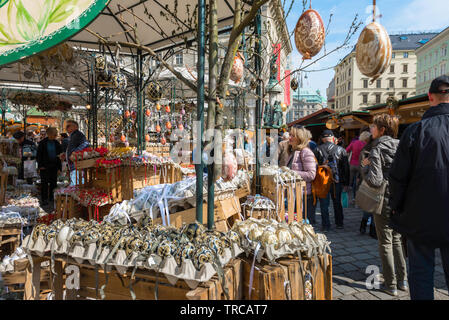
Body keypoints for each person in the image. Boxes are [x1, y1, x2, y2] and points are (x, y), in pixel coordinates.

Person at [389, 76, 449, 300]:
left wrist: (395, 207)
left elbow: (397, 177)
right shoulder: (415, 131)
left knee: (421, 274)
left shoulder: (416, 131)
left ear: (430, 97)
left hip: (420, 215)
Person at [361, 114, 407, 297]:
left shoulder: (377, 148)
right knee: (397, 239)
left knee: (386, 242)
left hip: (385, 197)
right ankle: (403, 281)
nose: (371, 129)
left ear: (381, 130)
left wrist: (365, 166)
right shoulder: (401, 144)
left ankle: (391, 284)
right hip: (401, 197)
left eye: (373, 126)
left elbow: (375, 179)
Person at [314, 129, 350, 231]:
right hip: (336, 181)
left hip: (323, 181)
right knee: (337, 202)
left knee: (324, 204)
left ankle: (326, 225)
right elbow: (345, 168)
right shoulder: (341, 150)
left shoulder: (317, 149)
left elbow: (314, 167)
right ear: (332, 138)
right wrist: (346, 183)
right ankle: (339, 223)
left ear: (323, 139)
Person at [288, 127, 317, 224]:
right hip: (295, 194)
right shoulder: (294, 151)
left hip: (304, 196)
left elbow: (311, 174)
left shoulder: (306, 152)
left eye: (292, 135)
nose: (289, 137)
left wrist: (291, 173)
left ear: (299, 138)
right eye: (289, 135)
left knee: (303, 225)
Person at [358, 132, 378, 239]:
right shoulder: (367, 150)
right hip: (371, 180)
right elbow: (362, 166)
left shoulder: (365, 150)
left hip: (367, 180)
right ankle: (372, 230)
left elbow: (361, 167)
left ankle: (364, 226)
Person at [37, 127, 62, 205]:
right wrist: (40, 165)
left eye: (55, 135)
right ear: (49, 134)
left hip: (54, 166)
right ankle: (44, 199)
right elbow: (39, 155)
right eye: (54, 134)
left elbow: (59, 156)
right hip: (44, 166)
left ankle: (52, 198)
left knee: (53, 183)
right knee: (44, 183)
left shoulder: (57, 143)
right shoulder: (42, 143)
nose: (55, 136)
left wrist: (59, 168)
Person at [61, 120, 89, 185]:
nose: (66, 128)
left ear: (75, 127)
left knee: (76, 185)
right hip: (74, 165)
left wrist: (75, 152)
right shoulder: (73, 135)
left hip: (76, 165)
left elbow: (86, 143)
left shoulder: (77, 134)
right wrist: (66, 153)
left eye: (68, 126)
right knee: (75, 184)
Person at [346, 132, 369, 203]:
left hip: (352, 164)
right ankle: (359, 198)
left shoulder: (354, 142)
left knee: (352, 182)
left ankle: (353, 198)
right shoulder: (367, 144)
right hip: (361, 165)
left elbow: (346, 150)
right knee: (359, 182)